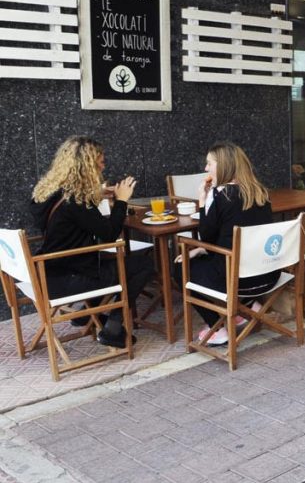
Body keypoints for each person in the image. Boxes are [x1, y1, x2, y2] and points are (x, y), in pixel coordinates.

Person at [30, 136, 154, 348]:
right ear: (87, 165)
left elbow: (68, 222)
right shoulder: (76, 202)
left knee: (113, 261)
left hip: (46, 274)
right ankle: (114, 329)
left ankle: (86, 314)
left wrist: (96, 193)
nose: (104, 165)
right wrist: (122, 200)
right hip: (70, 279)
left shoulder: (47, 194)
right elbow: (109, 234)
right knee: (141, 265)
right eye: (101, 161)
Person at [173, 142, 278, 346]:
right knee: (204, 257)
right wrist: (203, 249)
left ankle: (218, 328)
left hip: (237, 279)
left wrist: (203, 201)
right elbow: (234, 236)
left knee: (180, 267)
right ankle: (248, 306)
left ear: (223, 165)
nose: (205, 169)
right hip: (268, 274)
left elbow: (207, 237)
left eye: (209, 163)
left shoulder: (221, 195)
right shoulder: (261, 193)